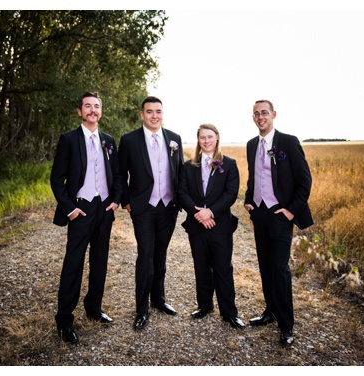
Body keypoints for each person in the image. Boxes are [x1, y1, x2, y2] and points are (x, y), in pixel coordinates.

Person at [50, 92, 122, 345]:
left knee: (100, 261)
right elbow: (57, 179)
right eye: (88, 106)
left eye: (97, 106)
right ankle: (64, 319)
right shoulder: (69, 139)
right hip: (80, 209)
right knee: (74, 263)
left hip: (104, 209)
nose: (93, 110)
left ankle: (94, 308)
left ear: (101, 111)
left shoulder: (109, 140)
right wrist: (70, 209)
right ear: (80, 112)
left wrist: (115, 199)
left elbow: (118, 174)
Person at [244, 99, 313, 345]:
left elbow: (305, 181)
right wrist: (248, 199)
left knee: (280, 268)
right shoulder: (252, 144)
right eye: (256, 114)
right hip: (260, 214)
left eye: (264, 113)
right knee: (264, 265)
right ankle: (270, 312)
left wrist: (291, 211)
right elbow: (254, 176)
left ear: (273, 114)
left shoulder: (288, 142)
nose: (260, 117)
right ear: (253, 118)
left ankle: (286, 326)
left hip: (281, 215)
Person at [118, 96, 183, 331]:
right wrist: (126, 201)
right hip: (143, 208)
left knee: (161, 255)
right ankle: (141, 310)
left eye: (158, 111)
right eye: (149, 111)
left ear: (162, 114)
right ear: (142, 114)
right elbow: (119, 174)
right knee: (145, 255)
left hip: (168, 207)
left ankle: (159, 300)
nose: (154, 115)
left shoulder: (174, 139)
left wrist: (181, 201)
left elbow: (180, 173)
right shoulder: (129, 140)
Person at [178, 123, 245, 329]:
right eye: (202, 137)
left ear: (217, 138)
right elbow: (182, 192)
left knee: (223, 268)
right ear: (198, 140)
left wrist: (211, 212)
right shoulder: (189, 166)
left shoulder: (229, 164)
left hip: (220, 225)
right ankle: (204, 306)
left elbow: (230, 194)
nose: (206, 141)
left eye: (209, 137)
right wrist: (198, 213)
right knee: (201, 266)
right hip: (197, 225)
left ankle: (229, 313)